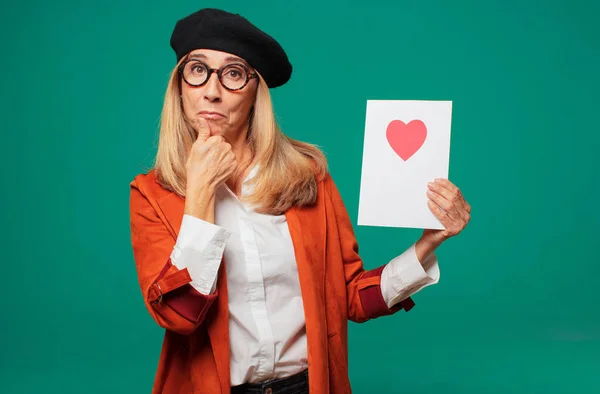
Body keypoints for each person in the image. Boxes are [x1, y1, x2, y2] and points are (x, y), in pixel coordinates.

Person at [128, 7, 471, 394]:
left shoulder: (306, 177)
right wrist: (202, 192)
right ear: (180, 86)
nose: (212, 90)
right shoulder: (152, 194)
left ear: (256, 91)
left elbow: (349, 297)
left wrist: (429, 242)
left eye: (234, 74)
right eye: (197, 70)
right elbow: (180, 316)